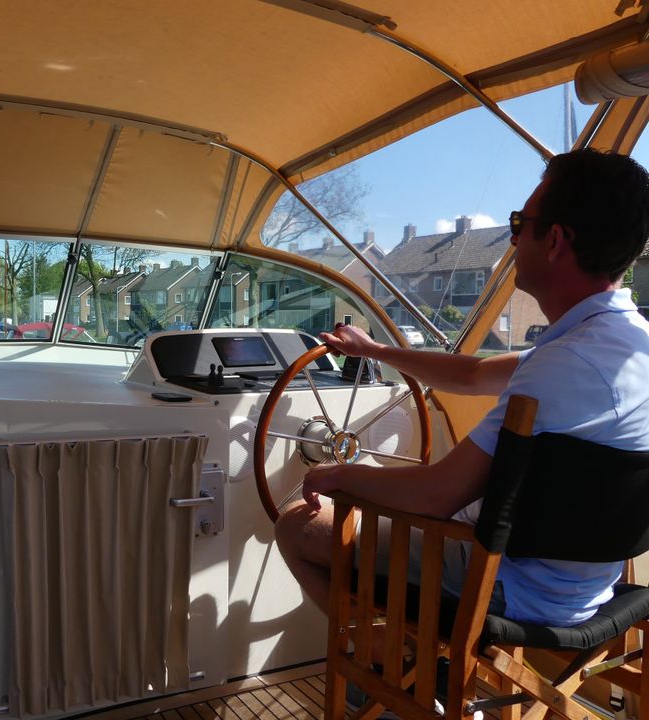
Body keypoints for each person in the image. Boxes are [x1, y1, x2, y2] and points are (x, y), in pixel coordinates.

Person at [274, 148, 649, 627]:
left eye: (519, 223)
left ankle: (389, 665)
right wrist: (375, 351)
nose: (513, 238)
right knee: (370, 477)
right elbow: (472, 375)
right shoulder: (618, 347)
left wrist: (336, 475)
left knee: (296, 525)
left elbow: (436, 495)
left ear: (555, 240)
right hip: (587, 588)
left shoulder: (562, 366)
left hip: (499, 583)